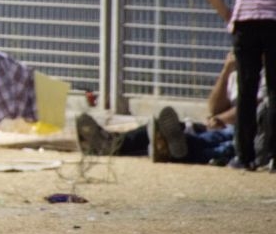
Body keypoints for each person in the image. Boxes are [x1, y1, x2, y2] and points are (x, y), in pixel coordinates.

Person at [76, 51, 270, 166]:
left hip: (242, 131)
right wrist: (226, 71)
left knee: (212, 143)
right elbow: (213, 107)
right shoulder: (240, 71)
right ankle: (110, 142)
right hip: (218, 126)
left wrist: (220, 119)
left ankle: (172, 147)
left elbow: (254, 108)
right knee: (156, 129)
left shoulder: (267, 76)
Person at [203, 0, 276, 172]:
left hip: (244, 18)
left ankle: (243, 157)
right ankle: (272, 155)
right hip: (273, 17)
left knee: (246, 90)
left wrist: (228, 15)